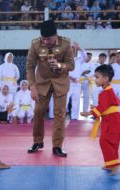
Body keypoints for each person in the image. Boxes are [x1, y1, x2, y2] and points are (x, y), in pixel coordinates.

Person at [26, 19, 74, 157]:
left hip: (60, 83)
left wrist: (60, 65)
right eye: (43, 39)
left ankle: (57, 146)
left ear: (55, 35)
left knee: (59, 114)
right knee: (38, 111)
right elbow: (30, 66)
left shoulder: (65, 44)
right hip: (42, 83)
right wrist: (32, 86)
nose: (45, 42)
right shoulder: (35, 44)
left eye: (48, 39)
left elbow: (71, 65)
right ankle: (37, 142)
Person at [81, 64, 120, 176]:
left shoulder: (106, 92)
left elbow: (103, 107)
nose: (95, 79)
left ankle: (115, 164)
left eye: (97, 77)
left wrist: (89, 112)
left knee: (108, 141)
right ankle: (110, 163)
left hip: (112, 120)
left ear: (106, 78)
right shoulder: (106, 91)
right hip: (109, 119)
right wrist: (95, 108)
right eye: (95, 77)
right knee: (106, 141)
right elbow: (105, 106)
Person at [66, 42, 87, 119]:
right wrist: (70, 77)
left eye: (73, 50)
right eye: (70, 50)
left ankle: (74, 118)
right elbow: (63, 71)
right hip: (68, 83)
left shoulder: (78, 60)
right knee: (65, 100)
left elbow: (85, 56)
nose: (72, 52)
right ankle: (62, 116)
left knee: (76, 101)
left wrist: (79, 48)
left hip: (77, 83)